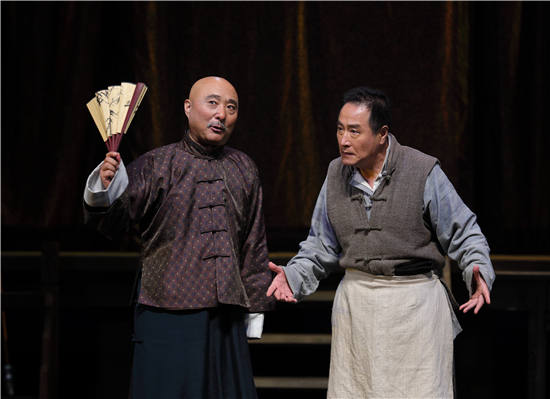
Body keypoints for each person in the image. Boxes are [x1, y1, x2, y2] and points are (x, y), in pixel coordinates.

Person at [267, 86, 495, 398]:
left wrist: (477, 269)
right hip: (357, 308)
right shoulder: (336, 174)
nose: (344, 140)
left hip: (414, 307)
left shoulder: (421, 170)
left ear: (382, 134)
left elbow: (464, 231)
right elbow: (320, 244)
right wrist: (292, 276)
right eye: (340, 129)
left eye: (354, 131)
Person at [83, 76, 274, 399]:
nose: (221, 114)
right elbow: (113, 226)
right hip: (165, 313)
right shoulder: (158, 164)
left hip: (225, 317)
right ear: (188, 108)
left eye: (231, 107)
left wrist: (254, 309)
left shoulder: (244, 168)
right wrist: (103, 189)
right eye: (212, 103)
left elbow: (253, 244)